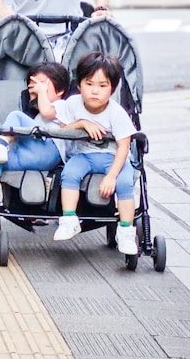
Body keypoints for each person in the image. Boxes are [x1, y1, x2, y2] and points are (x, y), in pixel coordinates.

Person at [49, 51, 139, 256]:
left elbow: (124, 147)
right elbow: (62, 129)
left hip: (113, 158)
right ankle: (70, 219)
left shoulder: (116, 113)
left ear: (112, 89)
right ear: (79, 85)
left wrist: (111, 176)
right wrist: (81, 123)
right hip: (83, 156)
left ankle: (125, 232)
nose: (95, 91)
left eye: (102, 85)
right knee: (69, 174)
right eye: (89, 84)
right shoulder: (73, 104)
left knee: (125, 182)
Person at [0, 62, 71, 214]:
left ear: (60, 90)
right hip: (31, 155)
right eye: (32, 89)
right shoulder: (36, 117)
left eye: (43, 86)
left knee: (15, 116)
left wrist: (41, 93)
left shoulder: (63, 106)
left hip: (49, 150)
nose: (37, 92)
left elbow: (47, 112)